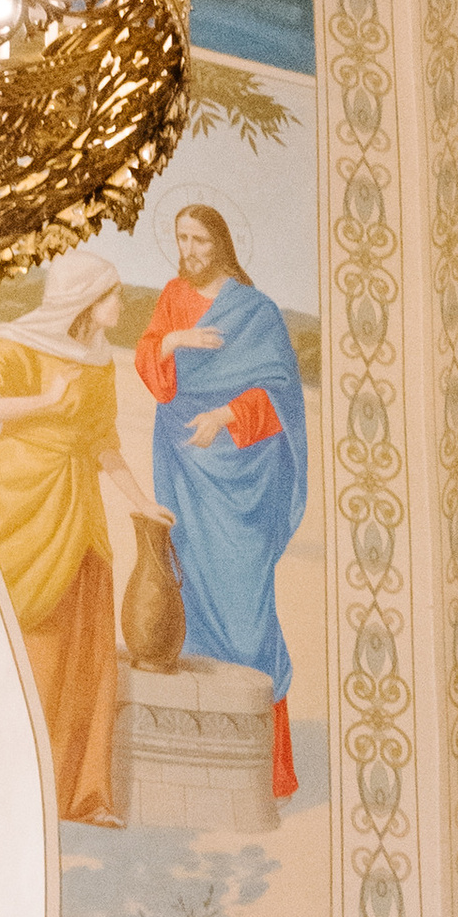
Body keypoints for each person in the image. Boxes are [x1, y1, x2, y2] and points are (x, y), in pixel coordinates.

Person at [0, 245, 166, 826]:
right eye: (113, 294)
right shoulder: (20, 345)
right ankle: (8, 790)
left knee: (89, 651)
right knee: (33, 644)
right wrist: (43, 400)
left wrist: (144, 503)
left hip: (80, 509)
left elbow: (105, 444)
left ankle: (80, 794)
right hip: (22, 500)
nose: (121, 303)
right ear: (83, 299)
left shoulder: (101, 363)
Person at [134, 205, 310, 800]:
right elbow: (150, 364)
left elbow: (282, 393)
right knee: (194, 597)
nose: (189, 247)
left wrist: (226, 414)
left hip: (244, 476)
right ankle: (205, 760)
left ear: (221, 241)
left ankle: (270, 767)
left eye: (199, 238)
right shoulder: (173, 295)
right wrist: (175, 338)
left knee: (249, 610)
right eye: (181, 237)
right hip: (185, 467)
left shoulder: (255, 311)